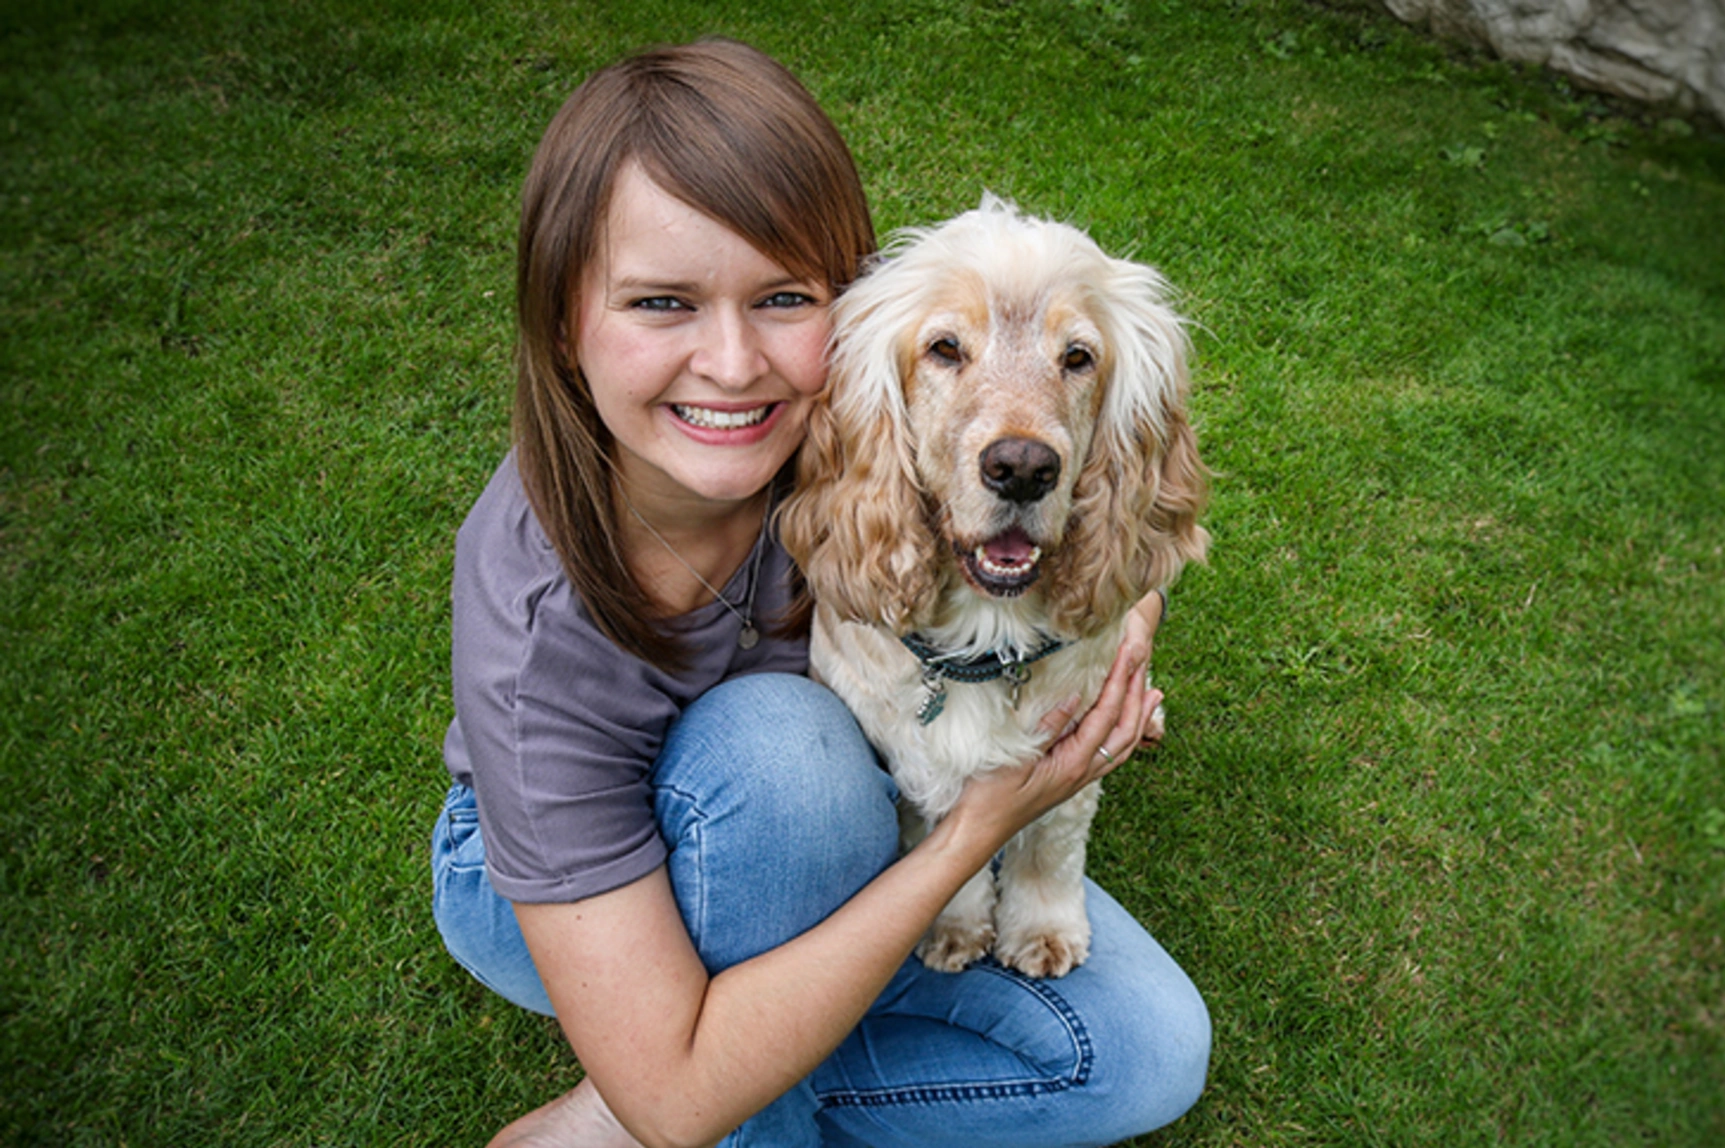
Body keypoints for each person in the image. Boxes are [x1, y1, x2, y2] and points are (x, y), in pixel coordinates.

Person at [430, 38, 1210, 1148]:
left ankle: (682, 1065)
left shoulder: (850, 407)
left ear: (842, 315)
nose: (735, 363)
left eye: (783, 297)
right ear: (565, 321)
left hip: (851, 837)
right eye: (661, 302)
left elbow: (1105, 490)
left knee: (1146, 1049)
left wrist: (1124, 615)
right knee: (789, 756)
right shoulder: (534, 634)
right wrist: (970, 837)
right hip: (578, 889)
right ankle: (664, 1070)